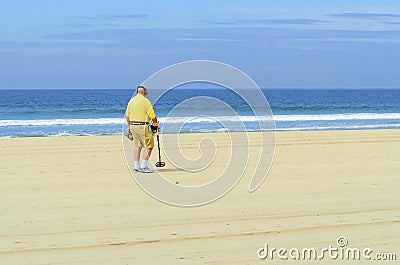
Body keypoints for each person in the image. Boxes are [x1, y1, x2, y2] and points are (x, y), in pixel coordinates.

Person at [125, 85, 159, 173]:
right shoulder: (146, 101)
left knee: (137, 146)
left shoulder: (131, 101)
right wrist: (155, 125)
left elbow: (127, 116)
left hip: (133, 125)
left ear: (137, 92)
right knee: (149, 146)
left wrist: (129, 127)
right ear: (145, 93)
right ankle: (144, 166)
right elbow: (153, 116)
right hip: (143, 126)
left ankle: (137, 166)